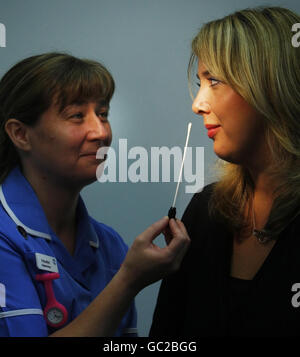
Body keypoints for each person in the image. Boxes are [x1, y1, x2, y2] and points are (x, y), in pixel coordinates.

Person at [0, 52, 190, 337]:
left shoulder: (108, 245)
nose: (100, 132)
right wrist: (128, 280)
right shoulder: (5, 236)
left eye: (103, 114)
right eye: (77, 116)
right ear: (21, 134)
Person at [150, 6, 300, 337]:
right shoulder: (207, 210)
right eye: (200, 82)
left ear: (272, 86)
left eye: (214, 81)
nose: (198, 103)